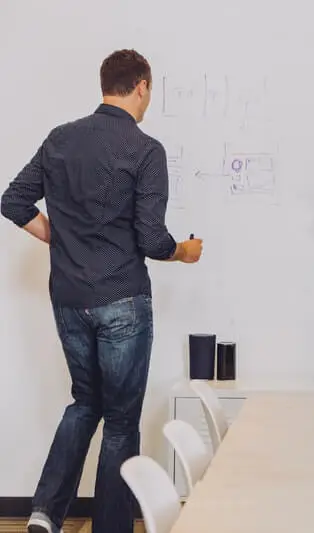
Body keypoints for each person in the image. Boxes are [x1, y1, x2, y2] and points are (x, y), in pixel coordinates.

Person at [0, 49, 203, 533]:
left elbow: (12, 201)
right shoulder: (145, 149)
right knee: (119, 421)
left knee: (85, 402)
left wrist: (56, 235)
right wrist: (185, 251)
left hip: (69, 299)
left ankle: (45, 513)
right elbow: (152, 241)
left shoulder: (61, 139)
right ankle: (111, 529)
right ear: (142, 87)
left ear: (104, 85)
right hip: (122, 300)